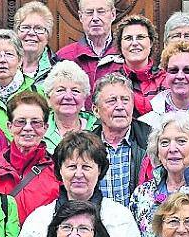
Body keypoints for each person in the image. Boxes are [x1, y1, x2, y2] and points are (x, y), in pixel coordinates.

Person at [12, 131, 143, 237]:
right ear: (60, 170)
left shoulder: (121, 218)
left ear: (99, 170)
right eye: (72, 167)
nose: (79, 174)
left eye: (86, 167)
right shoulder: (38, 220)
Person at [0, 90, 58, 223]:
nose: (28, 128)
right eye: (20, 122)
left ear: (45, 128)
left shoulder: (57, 171)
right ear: (9, 126)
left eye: (36, 122)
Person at [91, 73, 151, 207]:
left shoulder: (151, 140)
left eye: (125, 100)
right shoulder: (86, 147)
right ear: (96, 110)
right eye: (112, 101)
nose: (120, 106)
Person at [55, 0, 119, 94]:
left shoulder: (125, 54)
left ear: (113, 14)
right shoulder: (64, 56)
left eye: (101, 12)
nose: (95, 18)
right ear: (81, 17)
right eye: (89, 13)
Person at [108, 15, 165, 116]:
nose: (134, 43)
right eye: (128, 38)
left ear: (151, 42)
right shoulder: (109, 83)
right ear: (120, 45)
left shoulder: (165, 79)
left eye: (140, 37)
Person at [41, 61, 98, 153]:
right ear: (48, 98)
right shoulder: (39, 129)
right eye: (60, 90)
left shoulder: (98, 127)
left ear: (84, 98)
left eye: (75, 91)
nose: (68, 96)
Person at [14, 1, 56, 89]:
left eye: (38, 28)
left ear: (48, 35)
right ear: (17, 32)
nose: (31, 33)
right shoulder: (3, 65)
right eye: (26, 27)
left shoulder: (58, 69)